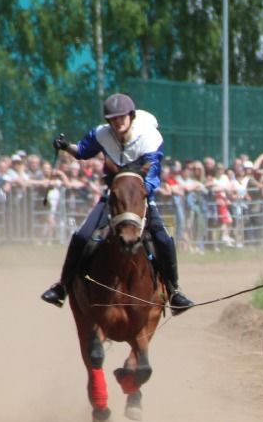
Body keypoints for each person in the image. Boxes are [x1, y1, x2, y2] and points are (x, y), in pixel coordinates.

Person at [40, 93, 194, 314]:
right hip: (112, 198)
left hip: (141, 198)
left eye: (122, 117)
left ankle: (173, 292)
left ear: (131, 116)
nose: (118, 122)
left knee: (163, 239)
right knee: (82, 236)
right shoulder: (102, 134)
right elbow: (83, 151)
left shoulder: (150, 138)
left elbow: (152, 175)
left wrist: (134, 195)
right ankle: (62, 287)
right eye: (113, 119)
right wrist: (66, 146)